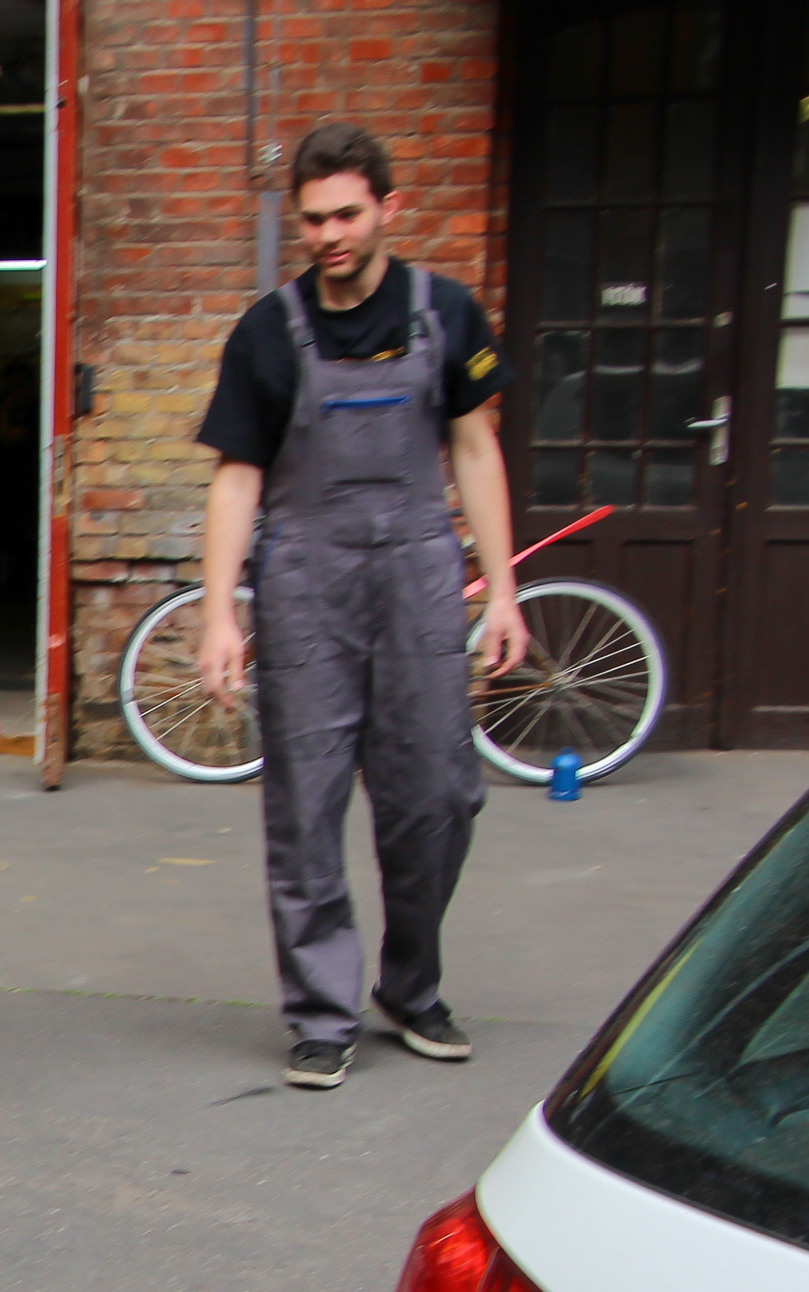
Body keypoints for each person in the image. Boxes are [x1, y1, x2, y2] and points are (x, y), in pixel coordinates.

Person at [193, 122, 527, 1090]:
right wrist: (219, 612)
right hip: (306, 585)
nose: (329, 236)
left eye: (346, 215)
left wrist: (503, 591)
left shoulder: (445, 313)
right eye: (313, 220)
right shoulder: (268, 331)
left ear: (388, 208)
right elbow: (236, 478)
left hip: (420, 578)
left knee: (439, 796)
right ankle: (321, 1013)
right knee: (305, 805)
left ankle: (411, 986)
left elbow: (475, 450)